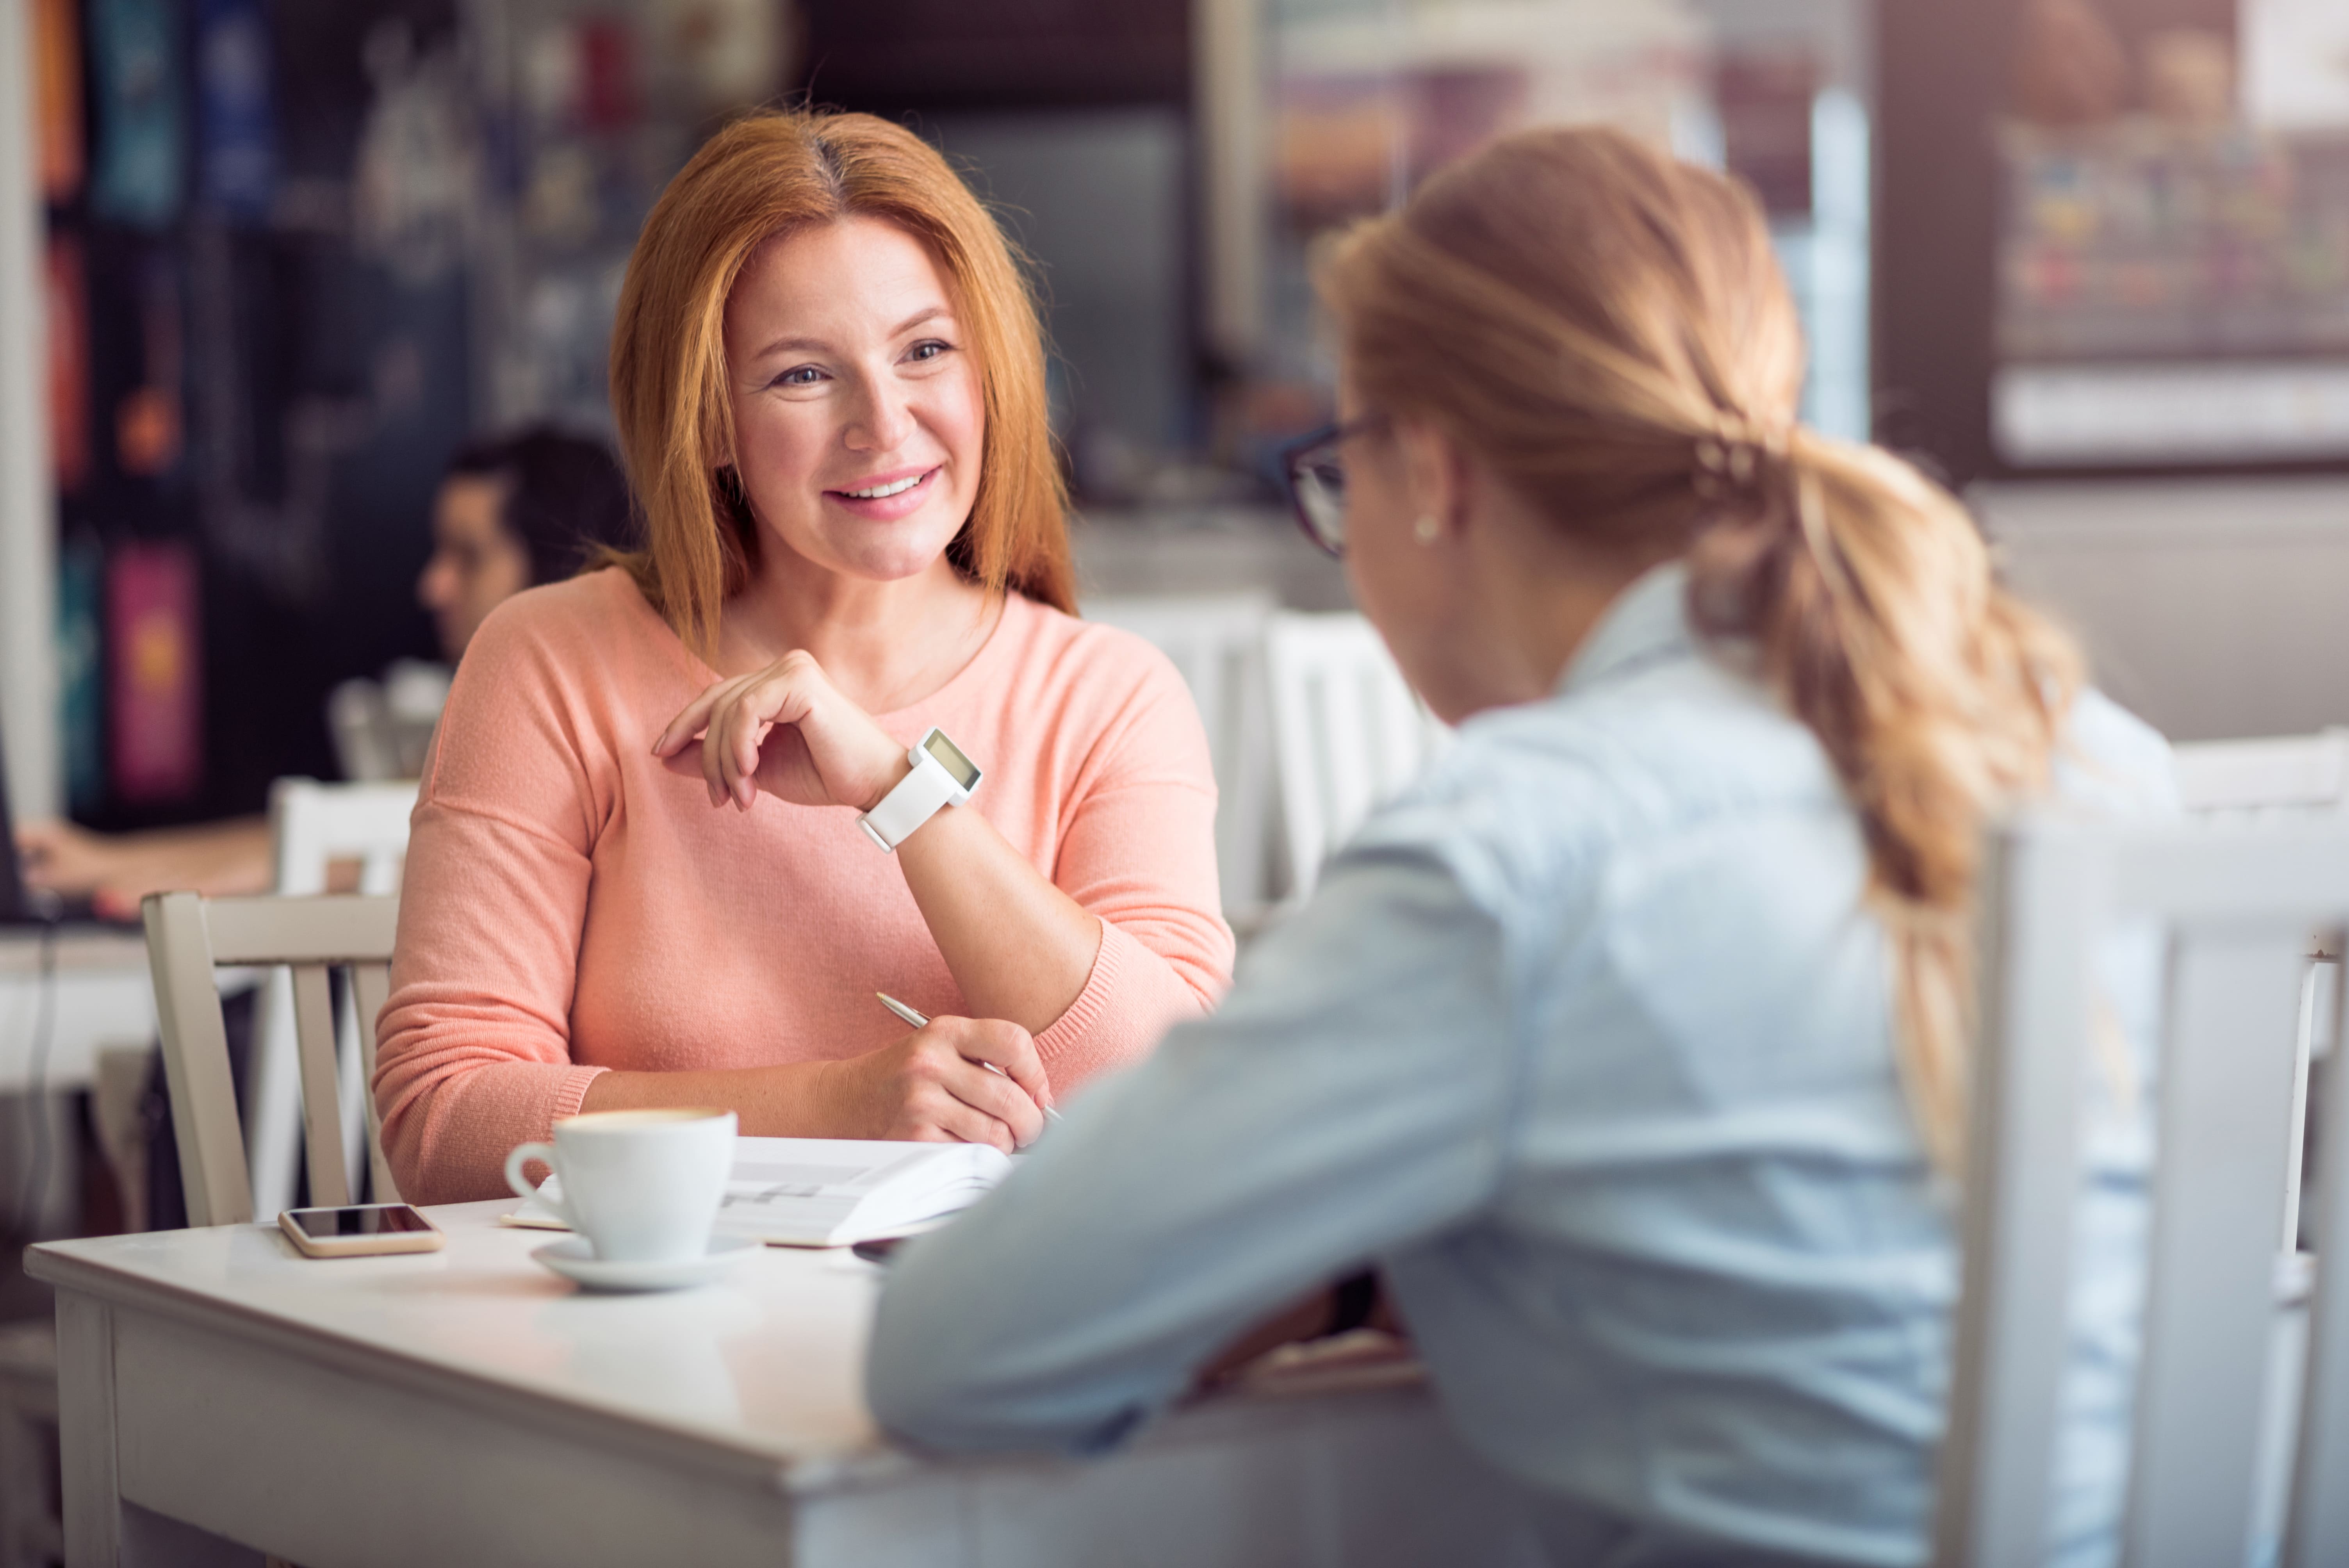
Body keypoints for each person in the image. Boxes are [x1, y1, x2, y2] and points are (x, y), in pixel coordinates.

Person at [864, 127, 2171, 1565]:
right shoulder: (2094, 759)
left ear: (1429, 472)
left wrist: (1354, 1272)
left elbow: (951, 1350)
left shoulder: (1515, 858)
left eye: (1337, 466)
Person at [372, 111, 1231, 1205]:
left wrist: (899, 793)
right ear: (710, 422)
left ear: (989, 373)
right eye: (801, 376)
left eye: (925, 351)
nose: (884, 424)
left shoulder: (1111, 698)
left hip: (975, 1343)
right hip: (629, 1355)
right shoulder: (552, 663)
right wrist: (836, 1112)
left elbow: (1168, 1101)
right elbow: (444, 1121)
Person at [12, 425, 631, 920]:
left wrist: (115, 870)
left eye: (467, 558)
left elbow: (360, 848)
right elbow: (332, 834)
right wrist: (104, 859)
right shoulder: (481, 714)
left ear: (559, 572)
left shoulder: (596, 744)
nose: (434, 585)